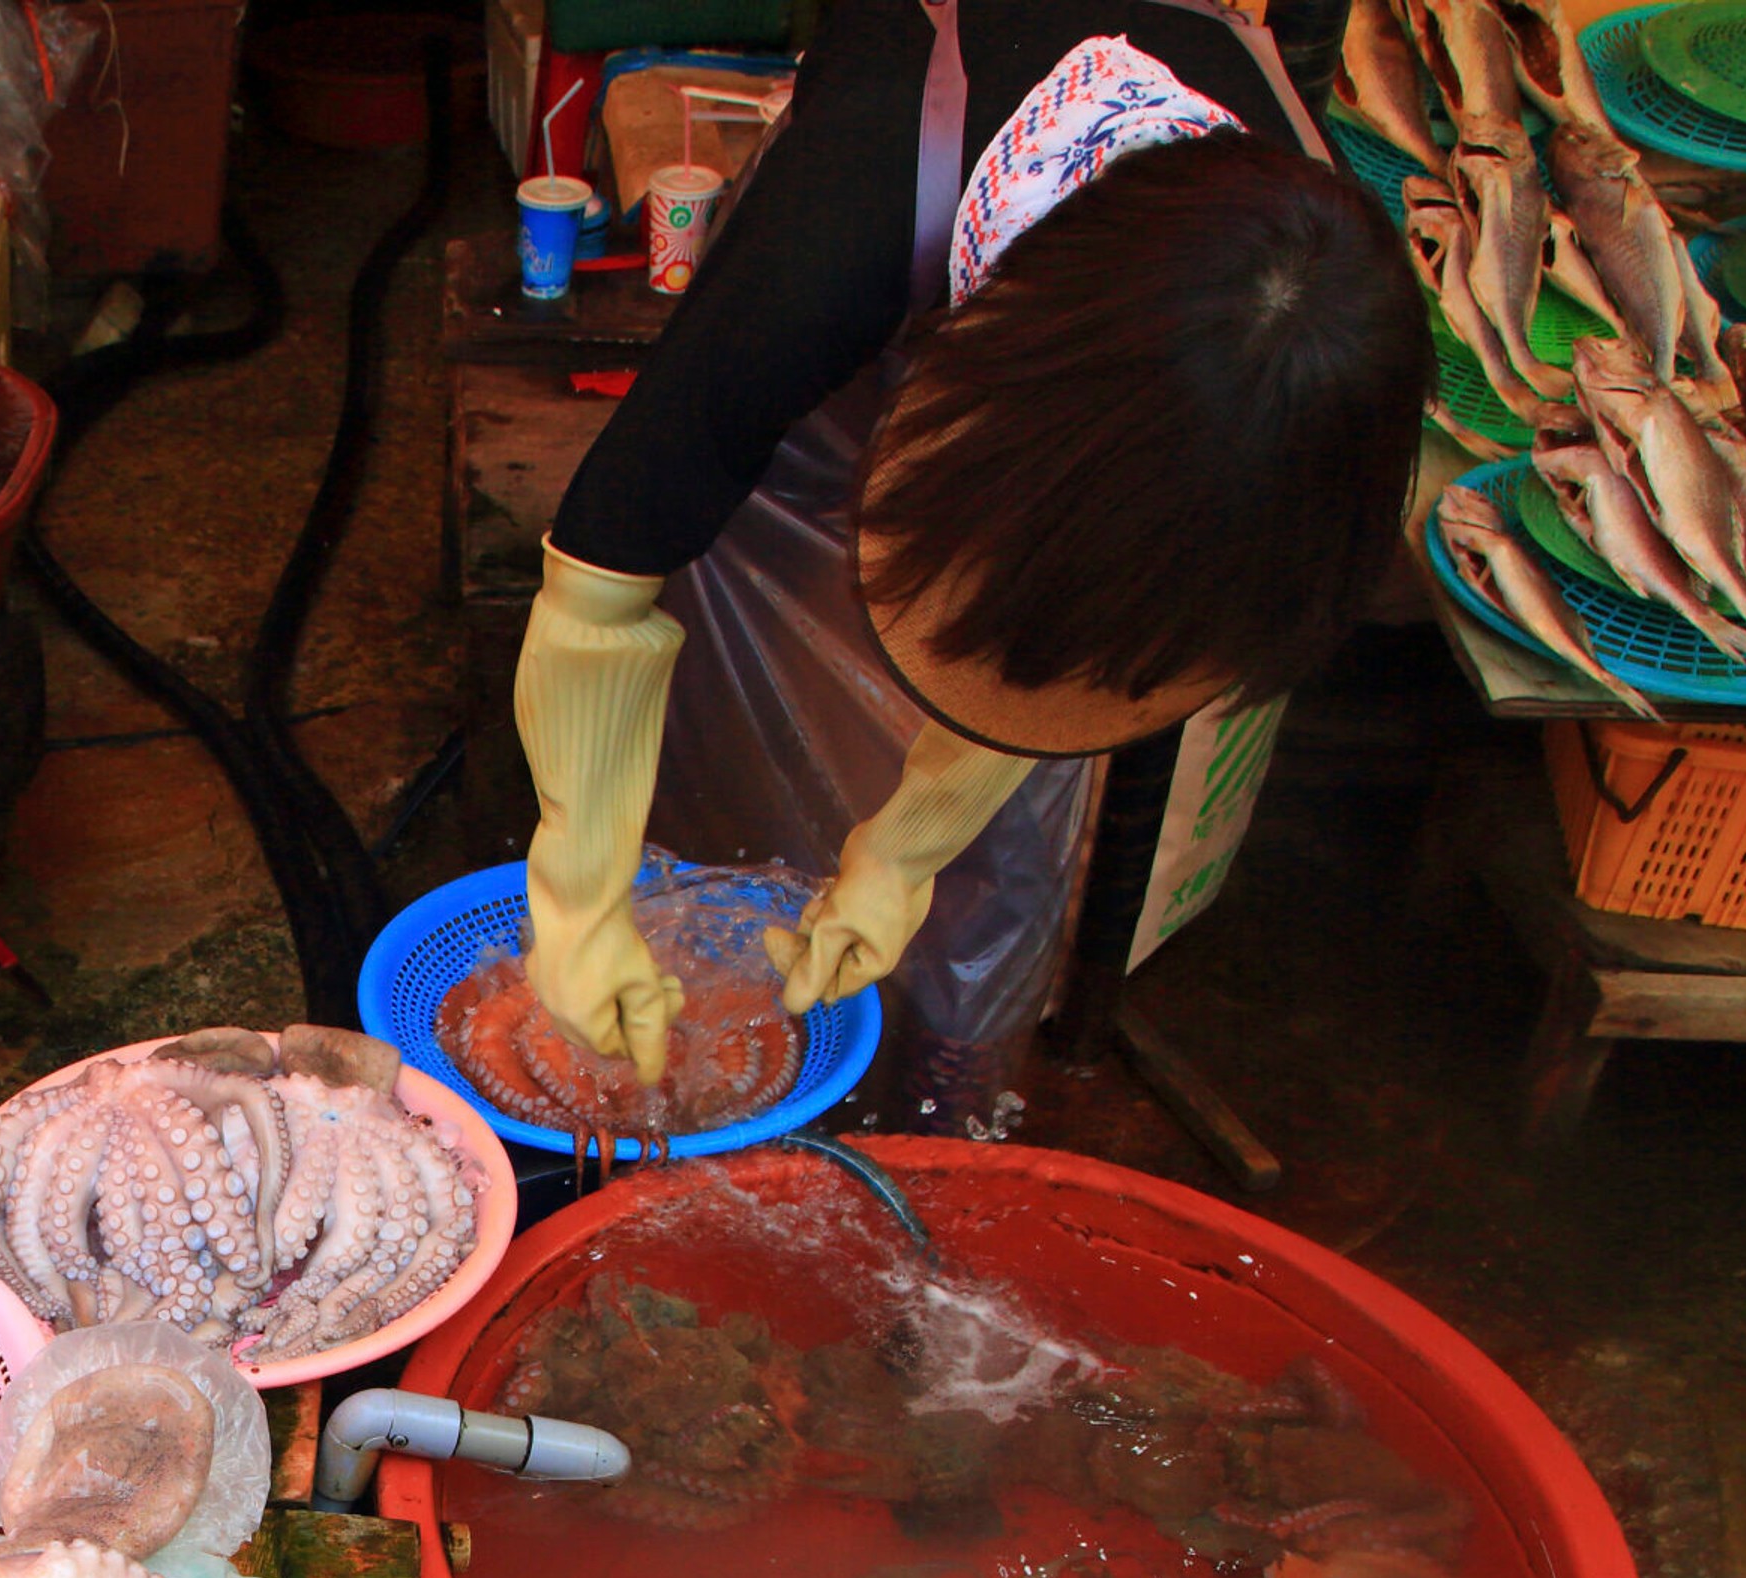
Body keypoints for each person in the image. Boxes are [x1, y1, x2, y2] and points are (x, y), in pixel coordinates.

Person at [511, 0, 1427, 1124]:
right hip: (900, 201)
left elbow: (1060, 652)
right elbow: (612, 563)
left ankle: (949, 1065)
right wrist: (582, 890)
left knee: (1022, 818)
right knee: (745, 658)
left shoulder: (1323, 331)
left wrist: (906, 847)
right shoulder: (836, 227)